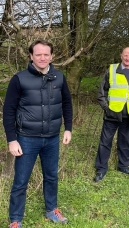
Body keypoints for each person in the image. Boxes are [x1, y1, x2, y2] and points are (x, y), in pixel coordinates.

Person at [3, 40, 73, 228]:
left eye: (46, 54)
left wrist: (68, 128)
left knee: (51, 176)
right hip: (26, 139)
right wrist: (12, 140)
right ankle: (15, 220)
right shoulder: (19, 79)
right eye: (38, 54)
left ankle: (52, 209)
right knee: (20, 181)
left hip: (52, 138)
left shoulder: (59, 77)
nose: (42, 58)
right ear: (31, 56)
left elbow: (67, 103)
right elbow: (8, 111)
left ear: (52, 56)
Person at [94, 47, 129, 182]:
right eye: (125, 55)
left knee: (126, 142)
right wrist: (106, 108)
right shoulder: (112, 70)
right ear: (121, 56)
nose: (127, 58)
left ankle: (123, 166)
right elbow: (101, 92)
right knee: (105, 142)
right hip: (112, 114)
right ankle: (101, 168)